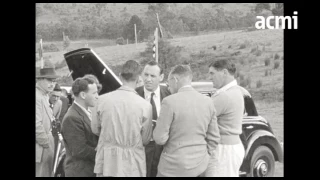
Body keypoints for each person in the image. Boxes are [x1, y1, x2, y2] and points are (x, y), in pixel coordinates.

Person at [153, 64, 220, 177]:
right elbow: (214, 137)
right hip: (200, 165)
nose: (168, 88)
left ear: (175, 79)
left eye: (169, 83)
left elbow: (160, 139)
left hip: (171, 167)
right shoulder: (207, 101)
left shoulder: (169, 102)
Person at [91, 60, 153, 177]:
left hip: (107, 160)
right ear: (139, 79)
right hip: (132, 162)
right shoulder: (145, 106)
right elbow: (145, 139)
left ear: (120, 76)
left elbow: (95, 129)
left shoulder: (101, 100)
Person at [204, 59, 245, 177]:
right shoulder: (236, 91)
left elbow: (200, 116)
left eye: (212, 73)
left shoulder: (224, 95)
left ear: (224, 72)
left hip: (223, 151)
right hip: (231, 148)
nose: (209, 77)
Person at [135, 60, 171, 177]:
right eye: (145, 75)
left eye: (152, 76)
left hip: (163, 149)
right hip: (140, 149)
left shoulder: (170, 94)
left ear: (161, 77)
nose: (148, 79)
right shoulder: (134, 95)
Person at [60, 75, 100, 177]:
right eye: (94, 93)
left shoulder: (86, 112)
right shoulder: (72, 118)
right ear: (83, 95)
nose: (97, 96)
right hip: (80, 172)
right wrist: (104, 154)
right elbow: (80, 150)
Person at [36, 67, 60, 177]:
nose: (52, 84)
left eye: (54, 81)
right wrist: (46, 143)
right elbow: (36, 124)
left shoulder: (44, 95)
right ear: (39, 80)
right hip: (40, 145)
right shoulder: (37, 97)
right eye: (49, 80)